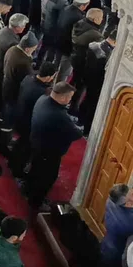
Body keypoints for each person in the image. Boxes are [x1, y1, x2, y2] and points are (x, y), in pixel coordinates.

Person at [27, 82, 84, 210]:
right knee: (47, 178)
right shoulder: (59, 115)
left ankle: (28, 190)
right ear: (63, 97)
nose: (70, 100)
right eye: (70, 97)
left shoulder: (42, 99)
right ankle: (36, 202)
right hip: (49, 152)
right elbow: (77, 134)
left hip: (37, 143)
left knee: (35, 169)